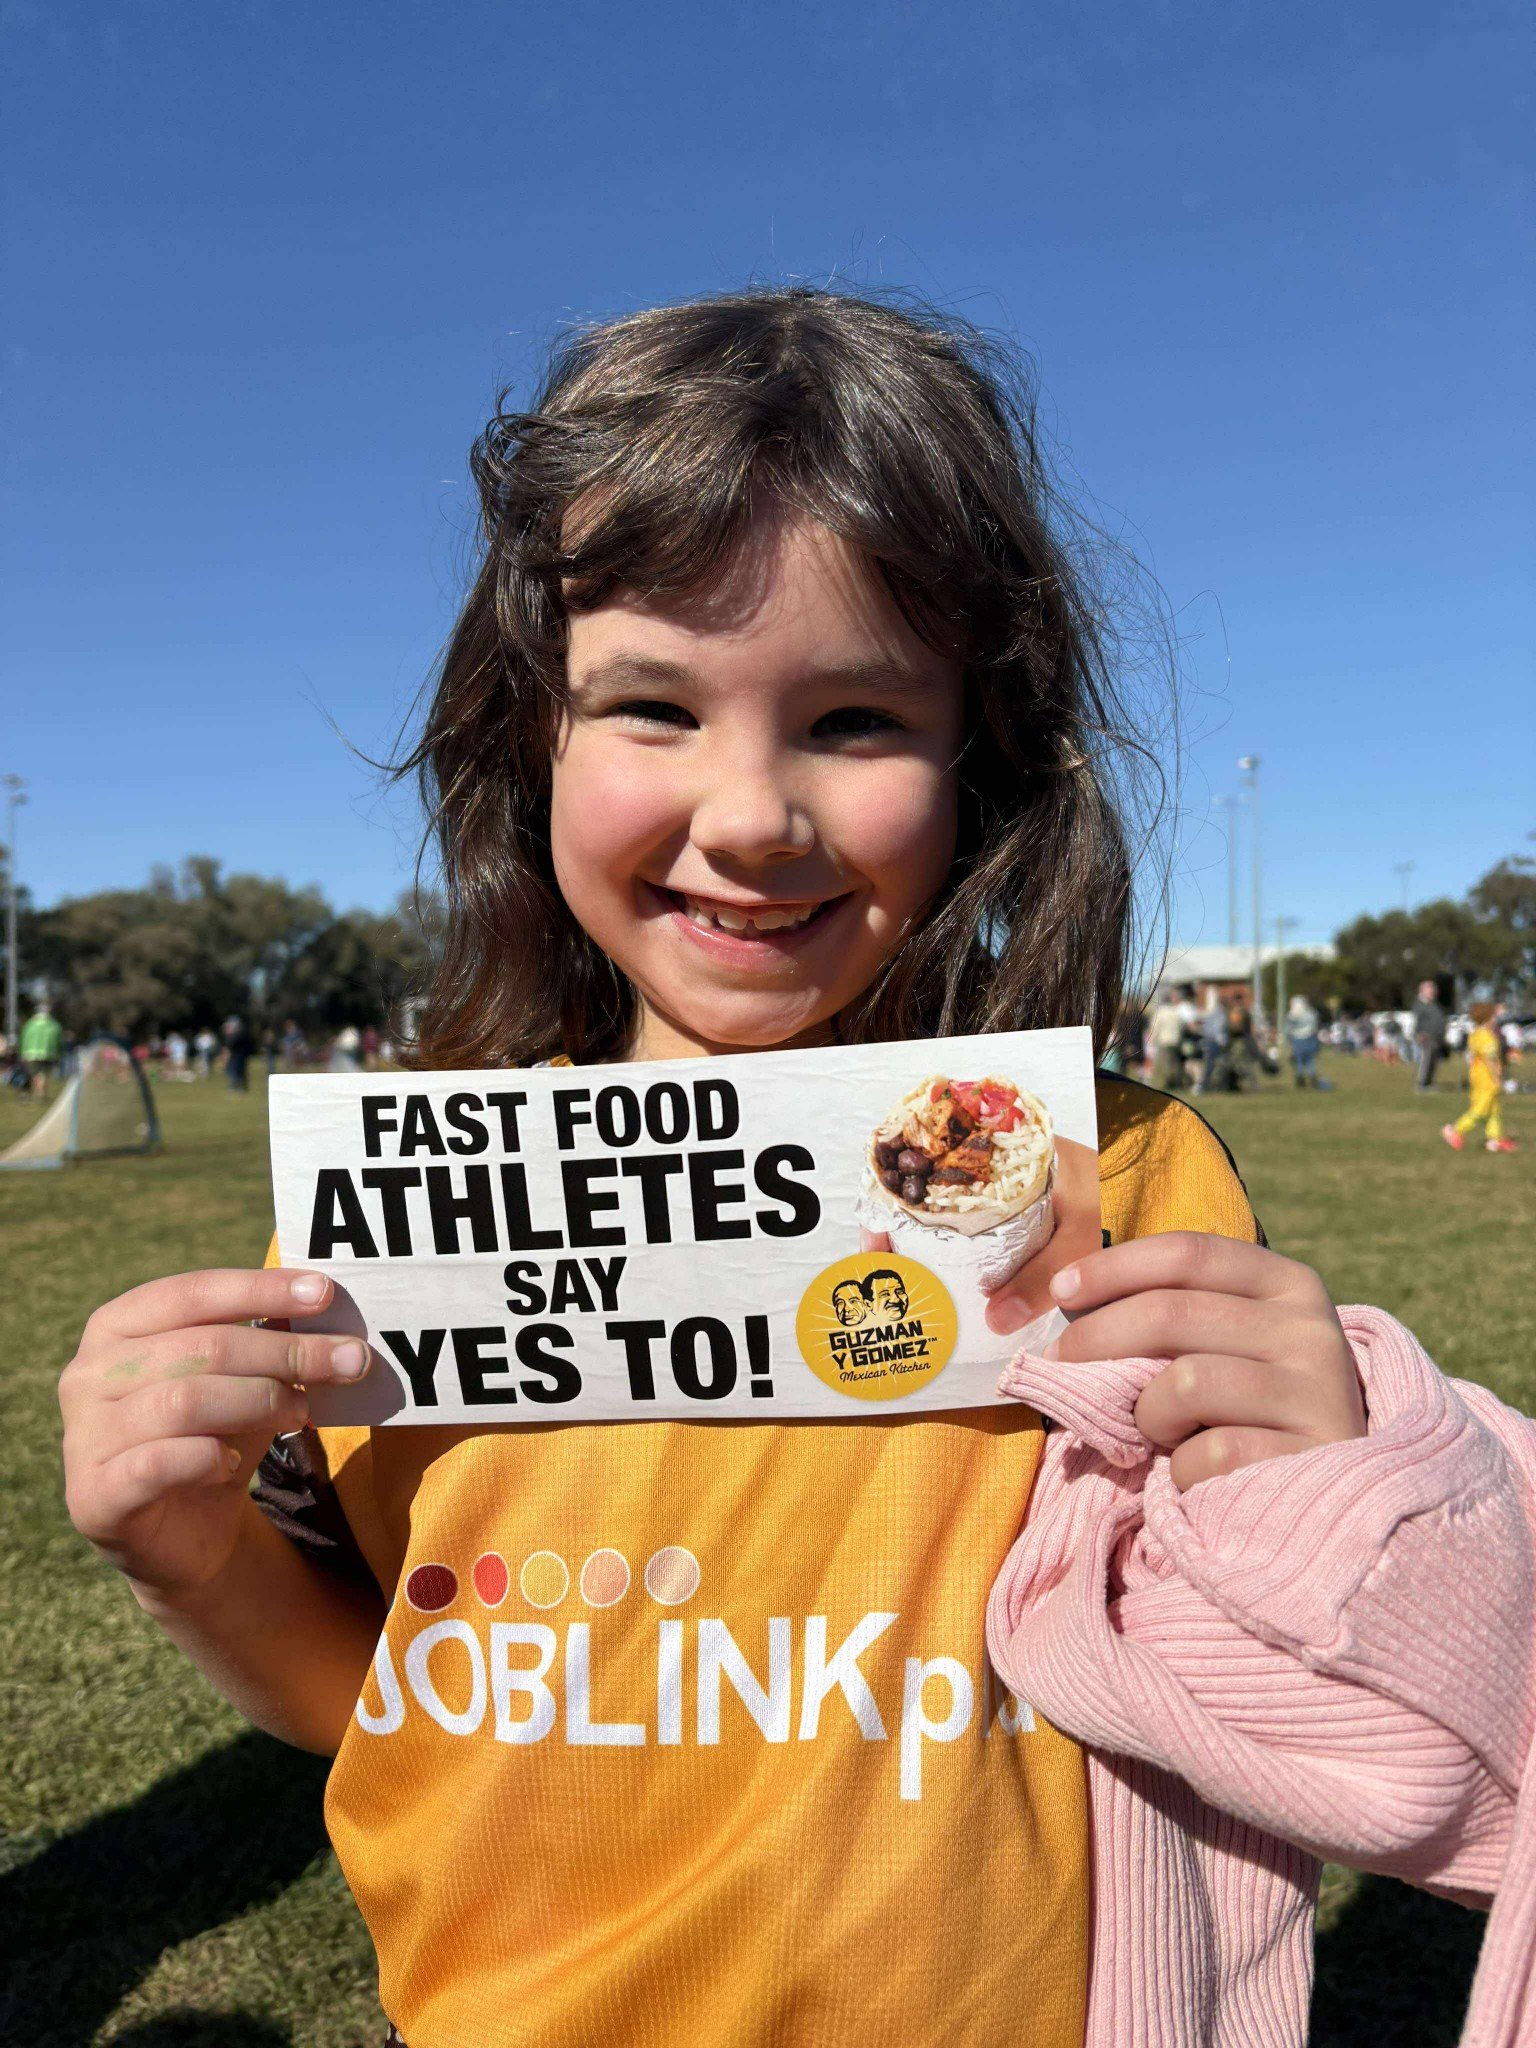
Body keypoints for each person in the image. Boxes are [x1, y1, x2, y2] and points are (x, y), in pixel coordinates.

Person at [56, 290, 1536, 2048]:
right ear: (527, 737)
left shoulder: (1122, 1170)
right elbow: (391, 1697)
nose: (752, 810)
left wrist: (1339, 1476)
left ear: (980, 759)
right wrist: (186, 1552)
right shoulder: (419, 1224)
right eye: (652, 706)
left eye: (852, 719)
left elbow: (1308, 1683)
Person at [1444, 1000, 1517, 1154]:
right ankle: (1455, 1130)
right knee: (1481, 1110)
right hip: (1487, 1079)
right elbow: (1491, 1059)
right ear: (1487, 1018)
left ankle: (1495, 1139)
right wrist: (1498, 1077)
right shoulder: (1487, 1037)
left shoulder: (1475, 1034)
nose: (1495, 1019)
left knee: (1494, 1110)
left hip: (1477, 1076)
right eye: (1493, 1017)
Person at [1145, 987, 1186, 1092]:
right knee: (1175, 1063)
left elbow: (1155, 1026)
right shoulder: (1176, 1012)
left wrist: (1151, 1039)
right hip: (1176, 1040)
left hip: (1164, 1040)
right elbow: (1181, 1026)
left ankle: (1169, 1083)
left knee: (1165, 1063)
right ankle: (1176, 1082)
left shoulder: (1160, 1012)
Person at [19, 1000, 63, 1096]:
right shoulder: (54, 1025)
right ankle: (41, 1092)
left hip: (31, 1054)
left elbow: (24, 1039)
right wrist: (59, 1053)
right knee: (43, 1074)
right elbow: (59, 1041)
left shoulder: (30, 1024)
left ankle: (39, 1092)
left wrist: (22, 1053)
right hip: (49, 1054)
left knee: (35, 1074)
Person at [1411, 978, 1447, 1091]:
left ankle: (1428, 1082)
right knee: (1426, 1060)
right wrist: (1420, 1034)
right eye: (1430, 989)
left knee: (1433, 1061)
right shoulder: (1419, 1004)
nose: (1433, 991)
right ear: (1422, 990)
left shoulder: (1433, 1004)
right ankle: (1421, 1084)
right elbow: (1416, 1021)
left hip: (1436, 1037)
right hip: (1426, 1036)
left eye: (1434, 989)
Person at [1284, 993, 1321, 1088]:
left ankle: (1300, 1078)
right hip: (1309, 1038)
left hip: (1298, 1040)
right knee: (1310, 1060)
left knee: (1299, 1060)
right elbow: (1315, 1027)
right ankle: (1312, 1076)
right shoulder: (1311, 1013)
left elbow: (1288, 1030)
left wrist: (1289, 1041)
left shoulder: (1292, 1015)